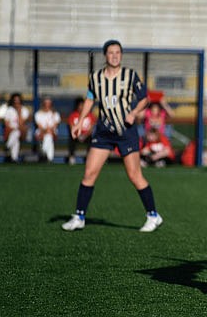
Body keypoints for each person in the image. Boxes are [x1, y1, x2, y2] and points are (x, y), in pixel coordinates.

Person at [61, 39, 163, 233]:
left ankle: (153, 215)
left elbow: (145, 99)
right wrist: (80, 122)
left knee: (134, 175)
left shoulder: (129, 75)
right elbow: (90, 99)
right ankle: (79, 216)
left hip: (126, 131)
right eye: (111, 52)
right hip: (104, 131)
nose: (115, 56)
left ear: (121, 55)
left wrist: (133, 113)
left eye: (118, 52)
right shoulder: (96, 78)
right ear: (105, 55)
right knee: (89, 173)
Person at [67, 97, 96, 165]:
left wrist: (85, 135)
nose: (82, 107)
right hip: (77, 136)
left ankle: (89, 158)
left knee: (92, 140)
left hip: (87, 136)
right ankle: (72, 157)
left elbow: (91, 128)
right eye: (80, 105)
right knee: (72, 139)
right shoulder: (73, 115)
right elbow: (72, 128)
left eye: (83, 105)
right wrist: (78, 135)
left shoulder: (90, 115)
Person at [3, 93, 30, 162]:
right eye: (15, 100)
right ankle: (14, 158)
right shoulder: (9, 110)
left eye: (18, 100)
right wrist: (12, 129)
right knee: (16, 140)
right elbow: (6, 124)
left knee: (17, 132)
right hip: (10, 131)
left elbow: (21, 124)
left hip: (22, 133)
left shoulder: (24, 110)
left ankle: (8, 146)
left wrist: (19, 112)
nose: (16, 102)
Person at [34, 96, 61, 162]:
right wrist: (46, 131)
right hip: (41, 132)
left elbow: (55, 125)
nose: (47, 105)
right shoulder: (38, 114)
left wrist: (49, 130)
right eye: (46, 103)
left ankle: (44, 153)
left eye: (49, 103)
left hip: (52, 133)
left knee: (49, 136)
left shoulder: (55, 114)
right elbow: (39, 127)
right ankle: (49, 158)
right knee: (48, 137)